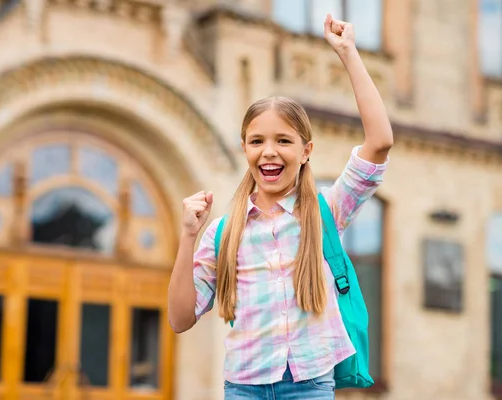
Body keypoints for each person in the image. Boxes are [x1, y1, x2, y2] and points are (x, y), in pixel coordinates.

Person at [168, 12, 393, 400]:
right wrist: (189, 236)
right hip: (243, 388)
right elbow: (180, 318)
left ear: (306, 151)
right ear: (244, 150)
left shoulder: (326, 212)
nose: (269, 152)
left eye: (283, 141)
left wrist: (349, 53)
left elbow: (380, 142)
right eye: (256, 142)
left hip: (309, 386)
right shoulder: (223, 233)